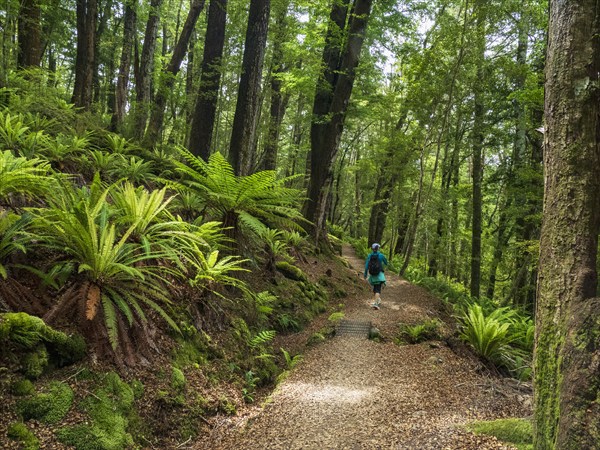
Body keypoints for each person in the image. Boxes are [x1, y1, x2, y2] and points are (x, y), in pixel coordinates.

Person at [364, 243, 388, 309]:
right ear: (378, 248)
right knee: (378, 289)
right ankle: (376, 304)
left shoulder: (369, 256)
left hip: (372, 275)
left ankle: (377, 300)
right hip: (379, 274)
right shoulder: (381, 255)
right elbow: (386, 263)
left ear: (372, 248)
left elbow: (366, 266)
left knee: (375, 289)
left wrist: (365, 274)